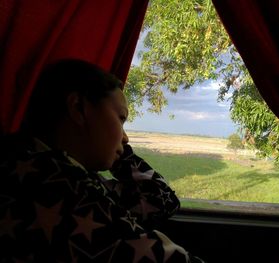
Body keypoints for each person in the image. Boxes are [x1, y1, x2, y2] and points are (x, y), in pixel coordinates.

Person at [0, 58, 204, 262]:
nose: (126, 137)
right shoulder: (64, 188)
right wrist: (112, 146)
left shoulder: (28, 165)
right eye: (120, 118)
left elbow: (160, 201)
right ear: (78, 108)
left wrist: (110, 145)